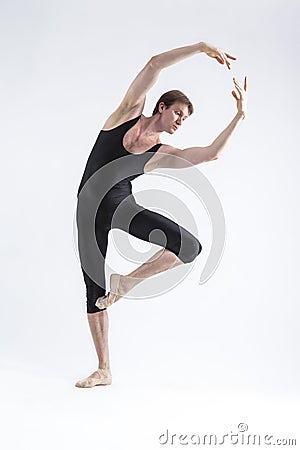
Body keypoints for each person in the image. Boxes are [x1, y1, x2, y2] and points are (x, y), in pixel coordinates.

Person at [75, 40, 247, 388]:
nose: (181, 122)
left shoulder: (159, 153)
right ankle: (103, 369)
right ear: (162, 106)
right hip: (87, 212)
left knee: (189, 247)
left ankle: (126, 282)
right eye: (179, 114)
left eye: (185, 119)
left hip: (122, 207)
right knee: (93, 291)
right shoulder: (124, 115)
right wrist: (200, 47)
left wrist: (239, 116)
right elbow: (154, 65)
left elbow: (210, 154)